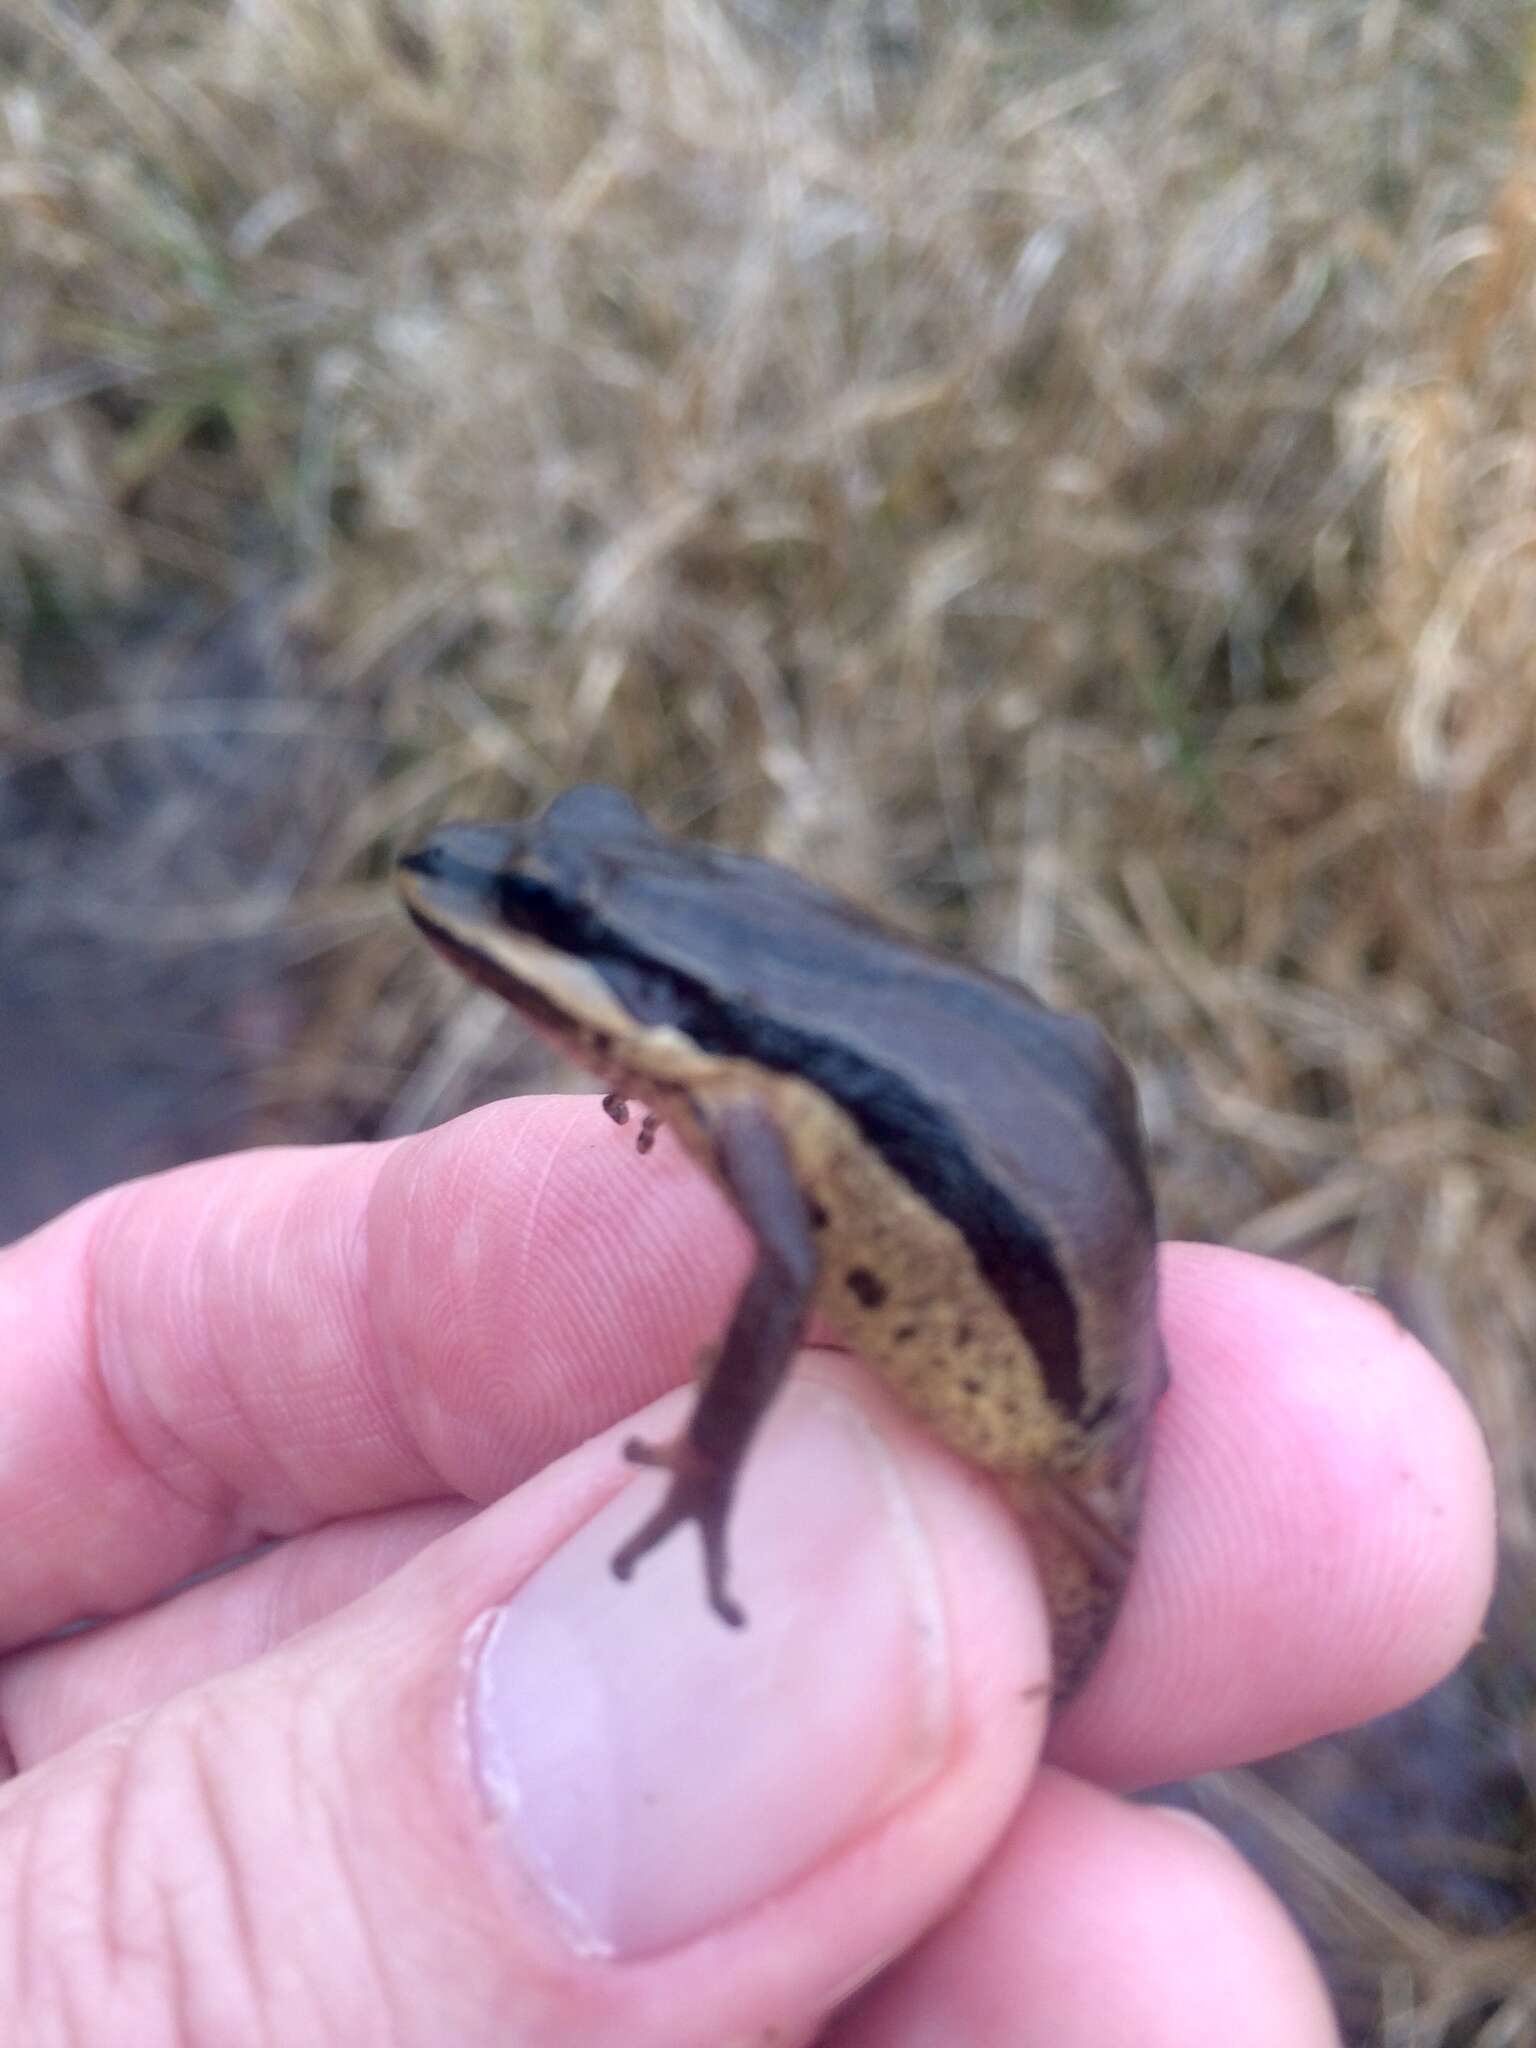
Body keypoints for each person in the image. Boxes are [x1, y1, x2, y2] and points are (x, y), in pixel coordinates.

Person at [0, 1096, 1494, 2044]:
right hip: (1042, 1306)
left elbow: (786, 1270)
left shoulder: (750, 1088)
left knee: (1064, 1765)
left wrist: (716, 1473)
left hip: (1057, 1384)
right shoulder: (725, 1086)